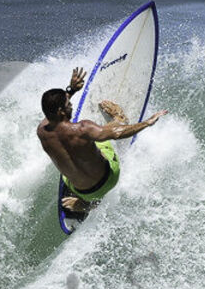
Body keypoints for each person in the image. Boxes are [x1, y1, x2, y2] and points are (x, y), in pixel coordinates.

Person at [37, 67, 167, 212]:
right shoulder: (83, 129)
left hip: (81, 191)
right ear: (61, 111)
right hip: (109, 179)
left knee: (70, 164)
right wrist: (146, 123)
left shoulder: (41, 131)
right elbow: (117, 133)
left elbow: (51, 112)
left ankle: (83, 202)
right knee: (101, 137)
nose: (71, 105)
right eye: (68, 104)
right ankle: (119, 117)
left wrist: (71, 90)